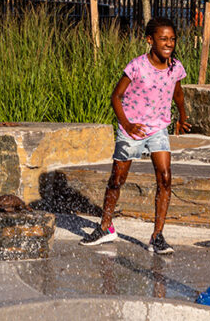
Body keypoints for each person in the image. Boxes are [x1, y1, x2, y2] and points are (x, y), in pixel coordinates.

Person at [80, 16, 190, 255]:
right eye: (163, 39)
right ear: (150, 40)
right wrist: (127, 125)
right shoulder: (137, 66)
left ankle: (157, 236)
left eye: (172, 39)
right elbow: (115, 96)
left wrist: (182, 116)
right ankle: (105, 227)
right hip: (132, 129)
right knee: (117, 179)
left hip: (158, 128)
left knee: (165, 177)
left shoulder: (175, 67)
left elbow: (177, 93)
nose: (168, 43)